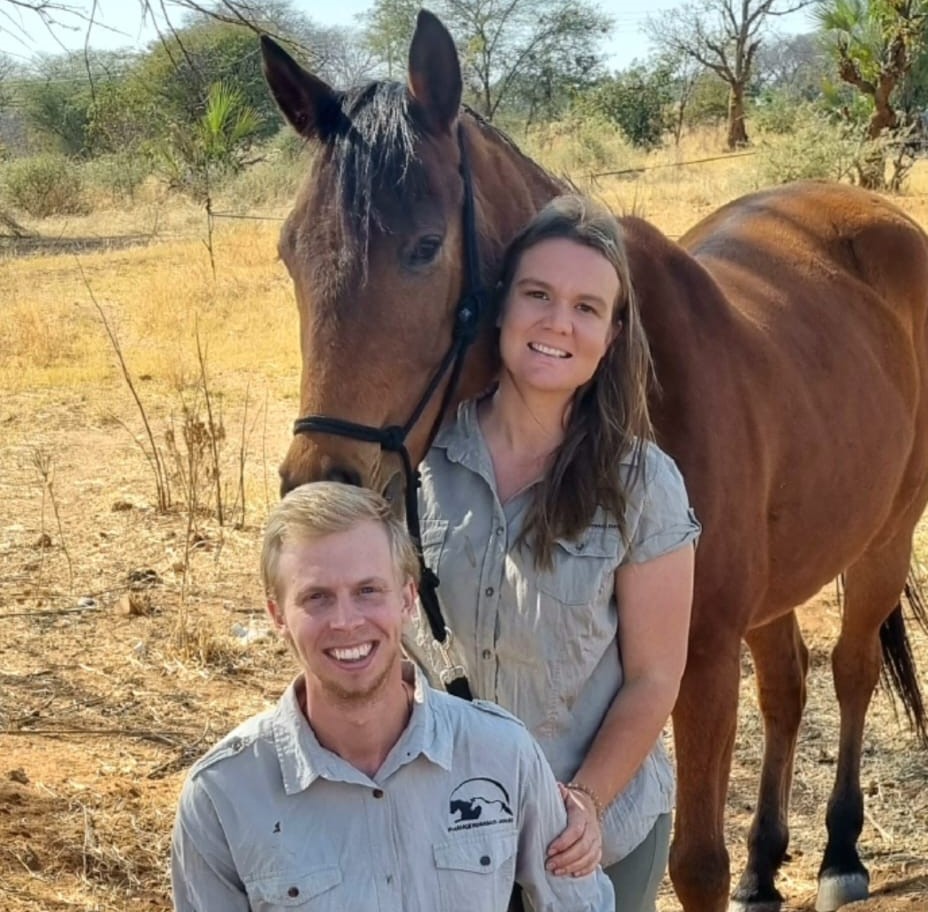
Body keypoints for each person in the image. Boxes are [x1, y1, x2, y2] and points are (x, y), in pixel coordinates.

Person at [412, 194, 700, 912]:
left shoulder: (642, 485)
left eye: (585, 307)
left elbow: (654, 678)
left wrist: (586, 802)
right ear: (501, 307)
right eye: (537, 295)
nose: (556, 323)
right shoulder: (420, 460)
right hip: (440, 829)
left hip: (588, 835)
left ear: (611, 334)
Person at [170, 481, 614, 912]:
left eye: (368, 591)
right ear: (277, 615)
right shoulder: (222, 796)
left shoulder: (501, 754)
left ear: (407, 599)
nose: (346, 621)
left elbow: (581, 904)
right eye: (316, 597)